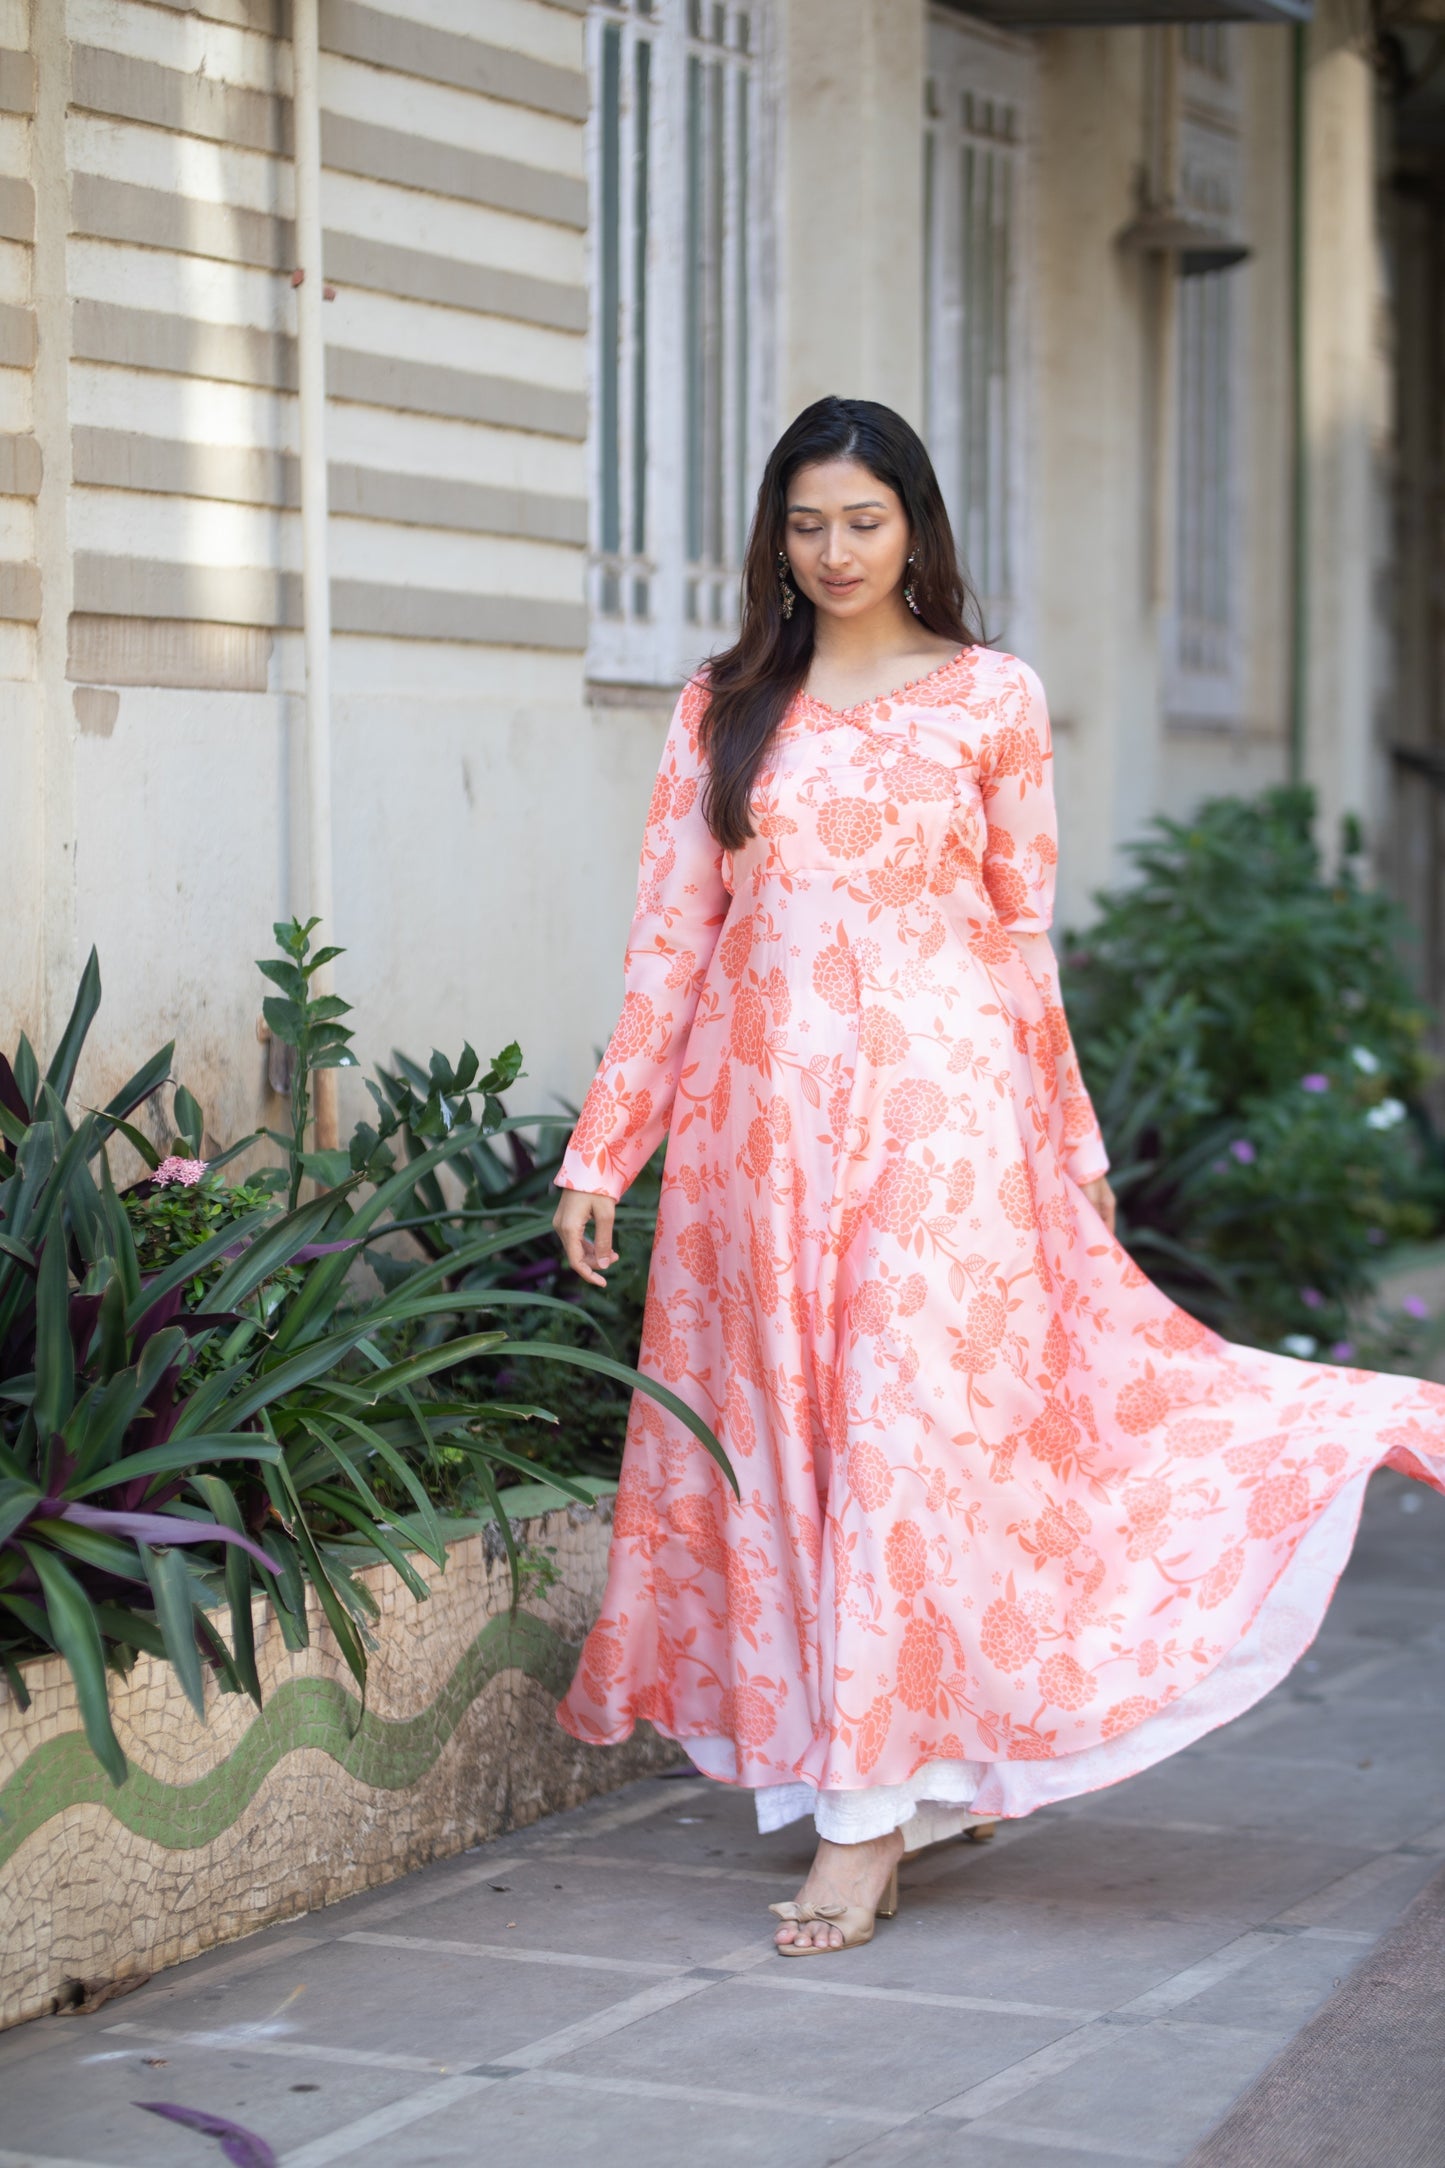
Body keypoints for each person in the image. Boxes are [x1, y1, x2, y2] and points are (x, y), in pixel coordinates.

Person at [552, 395, 1444, 1955]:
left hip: (943, 1129)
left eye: (863, 520)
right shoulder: (721, 706)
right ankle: (919, 1771)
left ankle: (862, 1832)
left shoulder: (988, 699)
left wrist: (1072, 1142)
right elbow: (671, 940)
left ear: (916, 527)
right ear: (773, 535)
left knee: (911, 1450)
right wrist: (608, 1143)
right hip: (763, 1147)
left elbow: (1015, 941)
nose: (832, 552)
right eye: (805, 523)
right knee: (806, 1453)